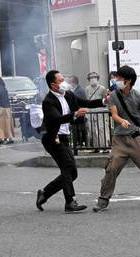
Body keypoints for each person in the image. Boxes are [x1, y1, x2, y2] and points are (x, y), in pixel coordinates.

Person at [93, 65, 140, 213]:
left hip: (136, 138)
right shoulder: (113, 95)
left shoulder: (138, 95)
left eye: (119, 77)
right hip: (119, 140)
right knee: (111, 169)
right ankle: (103, 201)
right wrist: (121, 121)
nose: (116, 80)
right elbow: (114, 114)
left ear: (128, 80)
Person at [36, 70, 105, 213]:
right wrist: (74, 114)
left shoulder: (68, 95)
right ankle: (70, 202)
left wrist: (104, 101)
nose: (64, 83)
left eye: (64, 79)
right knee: (67, 167)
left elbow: (86, 103)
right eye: (61, 80)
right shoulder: (48, 101)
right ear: (53, 85)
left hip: (65, 138)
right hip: (52, 139)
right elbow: (57, 119)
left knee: (72, 173)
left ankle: (45, 193)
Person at [85, 72, 109, 152]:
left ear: (98, 78)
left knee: (101, 129)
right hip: (90, 111)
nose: (93, 79)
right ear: (88, 79)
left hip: (100, 111)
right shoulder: (87, 89)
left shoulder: (102, 88)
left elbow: (105, 100)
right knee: (92, 130)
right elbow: (86, 100)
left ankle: (104, 146)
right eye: (91, 77)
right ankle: (96, 147)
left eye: (94, 77)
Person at [67, 75, 88, 148]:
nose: (68, 83)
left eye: (70, 82)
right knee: (76, 130)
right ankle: (79, 143)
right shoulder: (73, 90)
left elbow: (81, 102)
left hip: (80, 114)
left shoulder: (79, 91)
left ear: (74, 82)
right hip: (76, 114)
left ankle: (82, 143)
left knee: (81, 129)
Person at [0, 77, 14, 144]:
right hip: (7, 107)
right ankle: (10, 138)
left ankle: (2, 138)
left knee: (1, 124)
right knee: (8, 123)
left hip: (1, 108)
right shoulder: (4, 88)